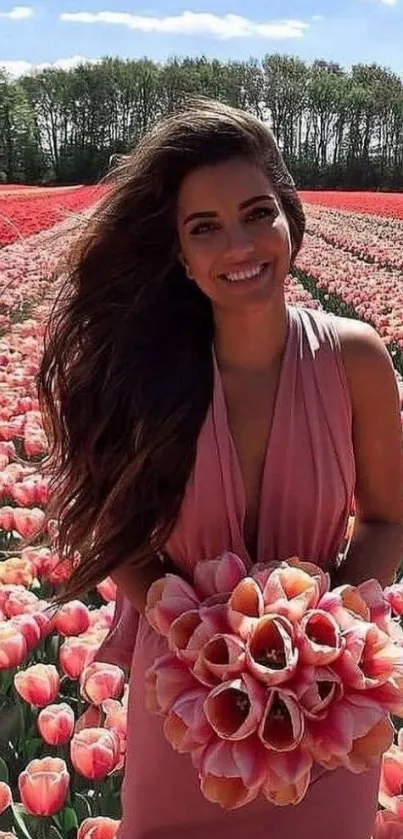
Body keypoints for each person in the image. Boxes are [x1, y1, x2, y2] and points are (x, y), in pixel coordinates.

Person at [38, 99, 403, 839]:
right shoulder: (144, 372)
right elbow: (121, 536)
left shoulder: (353, 357)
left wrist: (325, 619)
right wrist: (195, 632)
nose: (238, 245)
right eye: (204, 227)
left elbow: (391, 516)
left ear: (288, 220)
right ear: (178, 252)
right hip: (185, 692)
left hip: (326, 694)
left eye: (256, 213)